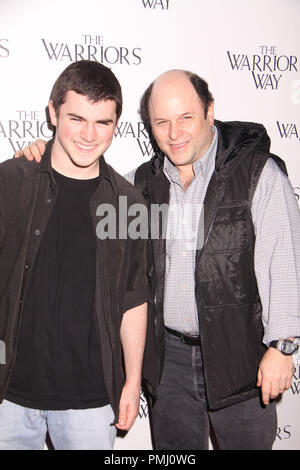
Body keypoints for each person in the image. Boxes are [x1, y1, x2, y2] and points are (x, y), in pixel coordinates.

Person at [16, 69, 300, 451]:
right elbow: (81, 183)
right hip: (169, 366)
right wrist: (39, 155)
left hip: (243, 362)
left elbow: (283, 260)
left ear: (209, 112)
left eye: (186, 118)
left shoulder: (257, 174)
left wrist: (282, 347)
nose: (174, 132)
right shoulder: (140, 186)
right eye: (161, 122)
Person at [0, 60, 151, 450]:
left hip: (90, 398)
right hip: (8, 394)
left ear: (117, 123)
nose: (89, 135)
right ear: (52, 112)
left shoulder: (127, 202)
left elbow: (134, 299)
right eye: (76, 118)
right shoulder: (12, 182)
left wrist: (132, 381)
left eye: (103, 122)